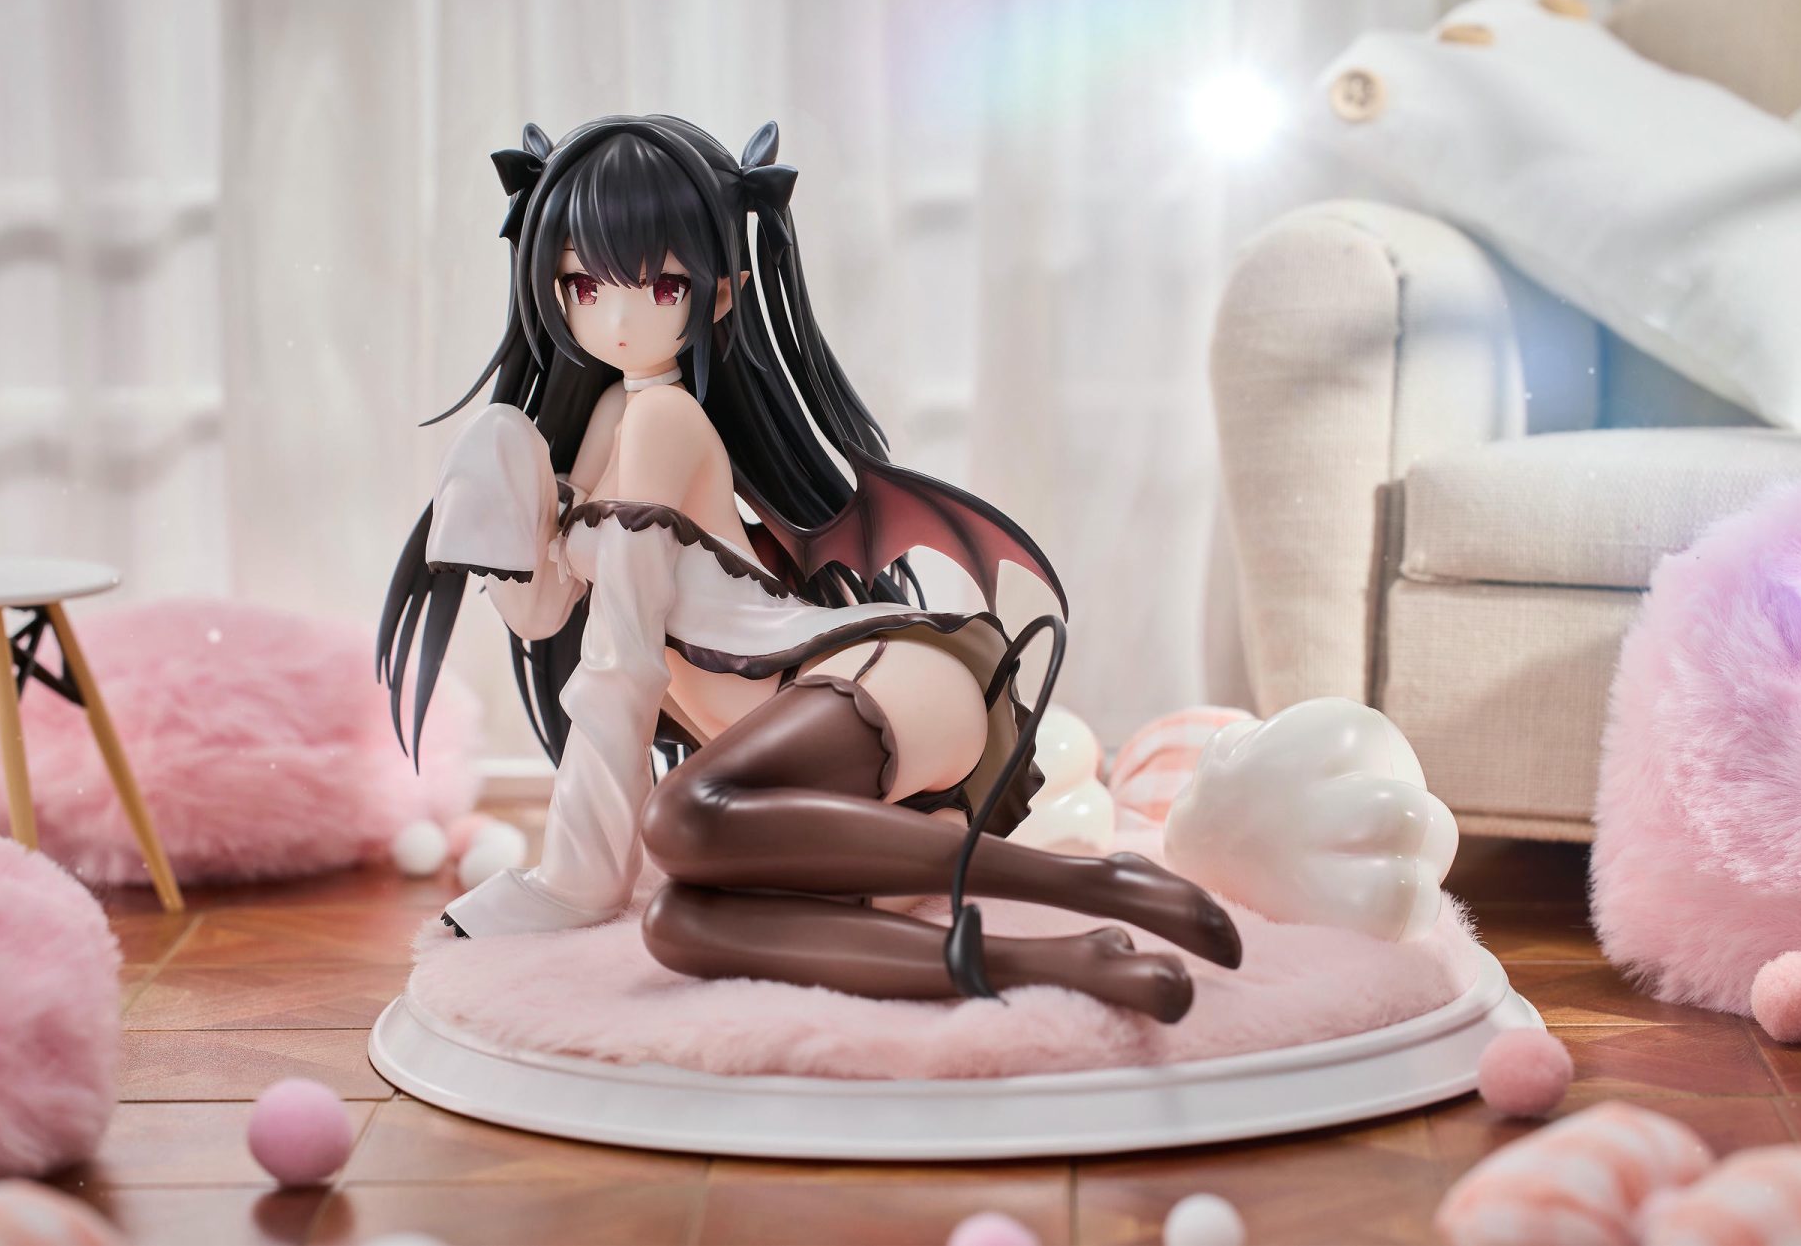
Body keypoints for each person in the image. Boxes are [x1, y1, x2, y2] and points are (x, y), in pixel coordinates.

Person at [381, 115, 1239, 1022]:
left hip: (873, 681)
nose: (620, 317)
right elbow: (545, 613)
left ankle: (1095, 881)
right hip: (832, 785)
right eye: (584, 285)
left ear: (721, 294)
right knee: (682, 923)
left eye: (663, 284)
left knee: (682, 816)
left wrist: (575, 882)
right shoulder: (608, 423)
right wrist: (501, 494)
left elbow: (621, 657)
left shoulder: (665, 421)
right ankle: (1062, 960)